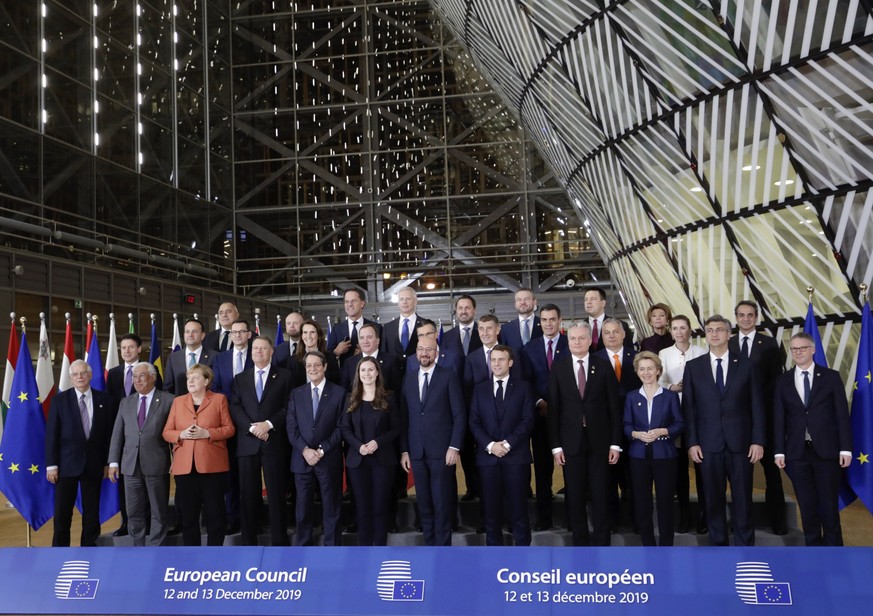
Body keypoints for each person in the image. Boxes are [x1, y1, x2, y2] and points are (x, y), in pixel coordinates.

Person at [682, 314, 764, 546]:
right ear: (705, 335)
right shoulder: (693, 367)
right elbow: (689, 409)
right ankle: (718, 545)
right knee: (712, 498)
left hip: (741, 444)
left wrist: (758, 440)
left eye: (719, 330)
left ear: (729, 334)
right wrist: (692, 442)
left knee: (742, 498)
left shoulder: (747, 365)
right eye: (710, 330)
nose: (714, 334)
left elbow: (757, 405)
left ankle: (745, 544)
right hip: (707, 445)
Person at [774, 333, 852, 546]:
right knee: (807, 506)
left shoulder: (831, 377)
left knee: (828, 506)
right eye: (794, 349)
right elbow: (779, 418)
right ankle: (813, 551)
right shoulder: (783, 381)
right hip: (797, 453)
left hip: (827, 452)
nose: (798, 352)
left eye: (803, 348)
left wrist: (846, 449)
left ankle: (834, 552)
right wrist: (779, 451)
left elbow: (842, 415)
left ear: (813, 349)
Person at [548, 322, 621, 546]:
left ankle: (602, 539)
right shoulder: (558, 368)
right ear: (567, 341)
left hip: (600, 441)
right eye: (573, 339)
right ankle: (579, 541)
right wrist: (556, 446)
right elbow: (554, 410)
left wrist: (615, 444)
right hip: (571, 443)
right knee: (575, 495)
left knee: (600, 493)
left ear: (590, 341)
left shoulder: (603, 365)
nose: (577, 342)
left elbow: (614, 407)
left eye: (581, 338)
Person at [399, 340, 466, 546]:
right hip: (417, 452)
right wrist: (404, 451)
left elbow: (459, 414)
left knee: (442, 503)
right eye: (421, 349)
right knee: (424, 503)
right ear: (416, 353)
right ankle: (429, 547)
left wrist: (454, 447)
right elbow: (404, 418)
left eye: (429, 349)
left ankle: (443, 549)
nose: (424, 353)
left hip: (442, 452)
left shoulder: (448, 376)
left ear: (436, 353)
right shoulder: (408, 379)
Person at [730, 300, 787, 535]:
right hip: (736, 419)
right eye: (741, 315)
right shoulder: (728, 343)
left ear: (756, 317)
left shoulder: (770, 344)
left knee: (772, 473)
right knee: (739, 475)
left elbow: (776, 382)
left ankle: (779, 524)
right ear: (736, 317)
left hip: (764, 417)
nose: (745, 319)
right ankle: (741, 524)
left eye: (750, 315)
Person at [229, 337, 294, 546]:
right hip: (248, 443)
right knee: (247, 495)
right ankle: (249, 541)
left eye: (263, 348)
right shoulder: (240, 378)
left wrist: (267, 424)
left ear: (271, 352)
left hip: (274, 441)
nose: (258, 352)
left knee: (276, 495)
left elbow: (288, 407)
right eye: (255, 348)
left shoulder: (285, 376)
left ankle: (279, 541)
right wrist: (253, 428)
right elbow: (235, 408)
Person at [469, 345, 535, 546]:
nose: (496, 363)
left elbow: (528, 420)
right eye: (493, 359)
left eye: (501, 359)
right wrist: (490, 445)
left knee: (519, 511)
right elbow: (474, 422)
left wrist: (507, 444)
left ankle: (523, 556)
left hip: (516, 458)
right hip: (488, 460)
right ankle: (494, 558)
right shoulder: (479, 389)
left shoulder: (523, 387)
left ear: (510, 362)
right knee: (491, 512)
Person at [162, 364, 235, 546]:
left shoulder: (219, 400)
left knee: (215, 516)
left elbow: (229, 429)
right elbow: (166, 432)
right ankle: (191, 557)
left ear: (207, 381)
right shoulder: (178, 402)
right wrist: (180, 434)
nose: (190, 381)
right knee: (188, 517)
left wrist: (208, 433)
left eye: (195, 378)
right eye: (189, 378)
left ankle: (213, 556)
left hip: (213, 466)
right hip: (185, 468)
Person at [45, 360, 113, 547]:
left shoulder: (104, 400)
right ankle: (59, 553)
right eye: (75, 374)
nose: (80, 377)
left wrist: (108, 462)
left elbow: (108, 434)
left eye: (83, 373)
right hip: (65, 466)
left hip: (94, 465)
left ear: (90, 375)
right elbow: (52, 434)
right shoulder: (60, 400)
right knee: (62, 515)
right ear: (70, 378)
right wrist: (51, 465)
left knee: (92, 515)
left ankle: (89, 552)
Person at [107, 362, 175, 546]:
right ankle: (138, 548)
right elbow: (117, 434)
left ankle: (155, 547)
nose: (136, 380)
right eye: (134, 377)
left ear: (152, 377)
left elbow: (174, 432)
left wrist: (177, 460)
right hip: (129, 466)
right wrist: (113, 462)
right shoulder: (126, 402)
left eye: (141, 376)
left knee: (158, 510)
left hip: (156, 463)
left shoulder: (169, 400)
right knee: (133, 510)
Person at [286, 351, 346, 546]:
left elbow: (341, 427)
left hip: (328, 459)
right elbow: (291, 427)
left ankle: (332, 549)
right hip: (302, 460)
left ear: (325, 366)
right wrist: (305, 450)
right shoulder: (297, 393)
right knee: (302, 510)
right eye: (309, 366)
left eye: (316, 365)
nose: (312, 369)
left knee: (332, 508)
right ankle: (303, 548)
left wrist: (321, 450)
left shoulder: (339, 393)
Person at [623, 352, 684, 546]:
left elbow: (679, 424)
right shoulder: (632, 397)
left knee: (665, 502)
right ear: (637, 372)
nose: (646, 372)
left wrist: (662, 431)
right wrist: (636, 434)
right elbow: (626, 424)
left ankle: (666, 544)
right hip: (638, 455)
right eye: (642, 369)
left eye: (650, 368)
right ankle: (647, 544)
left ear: (658, 371)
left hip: (664, 455)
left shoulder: (669, 396)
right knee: (642, 502)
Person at [340, 357, 401, 546]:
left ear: (377, 373)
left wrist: (377, 442)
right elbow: (344, 428)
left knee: (380, 506)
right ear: (358, 374)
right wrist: (359, 445)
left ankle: (379, 548)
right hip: (358, 462)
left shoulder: (388, 397)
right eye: (363, 370)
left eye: (370, 370)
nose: (366, 374)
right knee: (362, 507)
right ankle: (365, 549)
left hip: (383, 461)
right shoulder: (350, 398)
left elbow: (396, 428)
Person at [658, 315, 708, 533]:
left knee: (702, 469)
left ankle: (705, 517)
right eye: (675, 328)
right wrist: (671, 387)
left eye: (683, 328)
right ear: (671, 331)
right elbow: (658, 380)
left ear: (690, 330)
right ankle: (684, 516)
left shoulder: (702, 352)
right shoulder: (664, 354)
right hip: (674, 416)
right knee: (678, 471)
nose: (679, 332)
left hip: (698, 415)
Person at [521, 303, 567, 530]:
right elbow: (526, 382)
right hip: (540, 416)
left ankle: (571, 518)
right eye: (545, 320)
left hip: (569, 417)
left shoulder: (572, 344)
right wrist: (540, 402)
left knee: (571, 469)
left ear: (560, 321)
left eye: (552, 319)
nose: (548, 324)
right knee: (542, 469)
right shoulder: (530, 348)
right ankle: (544, 517)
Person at [596, 317, 642, 529]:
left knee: (634, 477)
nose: (612, 336)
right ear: (601, 336)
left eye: (616, 331)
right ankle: (612, 521)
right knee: (608, 478)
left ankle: (635, 520)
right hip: (604, 428)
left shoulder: (637, 359)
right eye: (607, 332)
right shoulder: (593, 360)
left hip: (635, 426)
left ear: (624, 334)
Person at [105, 332, 148, 537]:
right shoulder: (113, 373)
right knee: (124, 482)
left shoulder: (149, 369)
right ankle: (126, 522)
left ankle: (146, 521)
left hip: (143, 432)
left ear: (139, 349)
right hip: (121, 433)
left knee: (144, 481)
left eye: (131, 347)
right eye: (123, 348)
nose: (127, 351)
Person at [327, 288, 382, 367]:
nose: (349, 304)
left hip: (369, 375)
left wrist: (365, 354)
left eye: (353, 301)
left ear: (362, 303)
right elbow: (327, 358)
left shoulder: (376, 327)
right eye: (346, 301)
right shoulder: (337, 329)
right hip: (344, 377)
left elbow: (382, 354)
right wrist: (336, 352)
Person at [339, 323, 401, 392]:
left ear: (378, 340)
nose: (365, 341)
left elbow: (396, 391)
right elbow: (344, 390)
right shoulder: (349, 363)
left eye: (369, 337)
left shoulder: (391, 361)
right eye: (362, 338)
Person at [163, 318, 216, 395]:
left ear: (202, 335)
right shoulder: (173, 358)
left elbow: (216, 385)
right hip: (180, 404)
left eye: (194, 331)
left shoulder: (214, 356)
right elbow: (168, 387)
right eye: (187, 331)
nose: (190, 335)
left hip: (207, 404)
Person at [290, 320, 340, 386]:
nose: (308, 336)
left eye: (312, 332)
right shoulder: (292, 361)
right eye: (305, 332)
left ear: (318, 336)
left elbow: (336, 383)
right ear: (301, 336)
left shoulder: (330, 358)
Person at [584, 287, 633, 352]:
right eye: (586, 299)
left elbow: (629, 353)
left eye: (593, 299)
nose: (588, 302)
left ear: (603, 303)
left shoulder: (621, 325)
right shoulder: (579, 327)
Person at [380, 286, 421, 366]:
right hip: (394, 375)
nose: (404, 302)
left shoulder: (425, 324)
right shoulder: (388, 327)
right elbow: (384, 355)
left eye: (408, 299)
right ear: (398, 302)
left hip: (417, 374)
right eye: (401, 299)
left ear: (416, 301)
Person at [500, 288, 542, 352]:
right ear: (515, 304)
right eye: (519, 299)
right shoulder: (506, 328)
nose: (522, 302)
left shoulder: (544, 324)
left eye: (527, 299)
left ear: (534, 302)